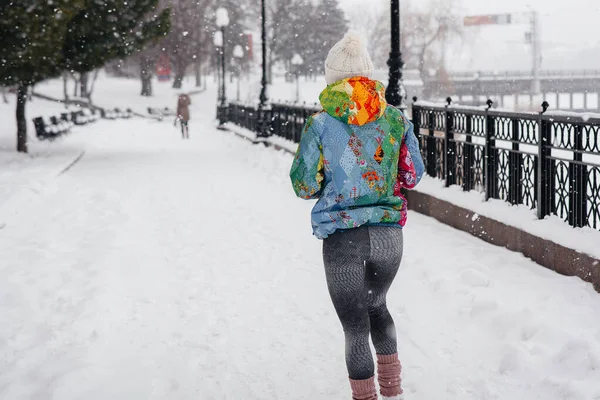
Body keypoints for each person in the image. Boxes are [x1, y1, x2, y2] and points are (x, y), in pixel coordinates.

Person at [289, 32, 424, 400]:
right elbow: (412, 174)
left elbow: (303, 184)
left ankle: (365, 396)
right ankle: (394, 391)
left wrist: (333, 182)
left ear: (332, 78)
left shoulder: (320, 125)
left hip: (343, 237)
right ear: (368, 76)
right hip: (388, 236)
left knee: (354, 327)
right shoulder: (395, 119)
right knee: (378, 307)